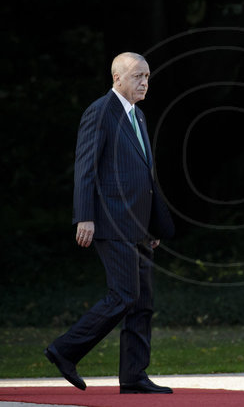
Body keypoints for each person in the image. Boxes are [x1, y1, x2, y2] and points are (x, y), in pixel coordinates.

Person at [44, 52, 175, 394]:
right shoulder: (100, 112)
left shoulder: (140, 116)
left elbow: (144, 176)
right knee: (124, 295)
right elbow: (85, 167)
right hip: (110, 221)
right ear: (117, 78)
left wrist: (152, 226)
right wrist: (83, 216)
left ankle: (134, 376)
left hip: (138, 227)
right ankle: (65, 349)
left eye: (147, 76)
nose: (144, 82)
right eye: (137, 76)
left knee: (143, 300)